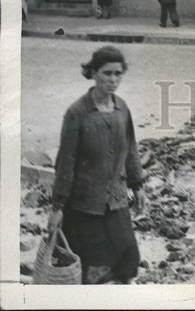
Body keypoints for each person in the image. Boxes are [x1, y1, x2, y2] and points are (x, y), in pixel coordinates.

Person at [47, 46, 145, 284]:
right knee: (92, 267)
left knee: (128, 257)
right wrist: (57, 206)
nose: (113, 80)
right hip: (83, 206)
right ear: (93, 73)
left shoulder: (122, 109)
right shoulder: (77, 113)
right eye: (106, 73)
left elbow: (130, 148)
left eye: (117, 74)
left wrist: (138, 185)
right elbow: (65, 162)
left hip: (115, 199)